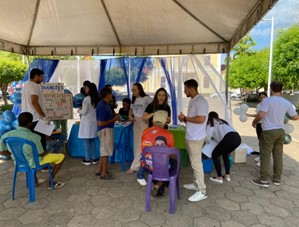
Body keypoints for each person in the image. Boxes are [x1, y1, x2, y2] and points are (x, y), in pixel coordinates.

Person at [251, 81, 299, 188]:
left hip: (268, 130)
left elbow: (261, 115)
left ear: (271, 88)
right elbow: (296, 117)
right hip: (280, 131)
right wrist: (286, 116)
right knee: (278, 155)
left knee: (266, 155)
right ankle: (277, 179)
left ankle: (264, 180)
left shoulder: (267, 101)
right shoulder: (286, 102)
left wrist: (254, 122)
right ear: (281, 89)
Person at [0, 112, 65, 189]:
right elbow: (42, 154)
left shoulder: (6, 135)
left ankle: (34, 182)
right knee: (61, 156)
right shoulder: (34, 137)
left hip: (19, 162)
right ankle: (50, 182)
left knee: (30, 154)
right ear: (30, 123)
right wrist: (46, 152)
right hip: (34, 162)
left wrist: (15, 154)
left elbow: (1, 151)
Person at [178, 79, 208, 202]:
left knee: (196, 163)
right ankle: (196, 183)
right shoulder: (193, 100)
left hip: (196, 137)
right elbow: (194, 118)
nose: (184, 91)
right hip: (191, 136)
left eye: (185, 89)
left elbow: (201, 119)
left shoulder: (201, 101)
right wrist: (185, 119)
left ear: (191, 88)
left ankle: (202, 190)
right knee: (194, 163)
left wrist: (185, 118)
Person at [137, 110, 177, 197]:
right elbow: (170, 153)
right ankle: (160, 184)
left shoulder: (145, 132)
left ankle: (158, 186)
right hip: (161, 165)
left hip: (147, 165)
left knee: (157, 162)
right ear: (164, 123)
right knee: (174, 162)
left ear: (152, 121)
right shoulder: (168, 135)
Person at [206, 111, 241, 183]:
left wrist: (206, 142)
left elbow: (207, 138)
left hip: (229, 138)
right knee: (225, 154)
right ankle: (227, 175)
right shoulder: (222, 122)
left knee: (214, 155)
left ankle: (219, 177)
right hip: (237, 138)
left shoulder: (210, 123)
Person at [126, 83, 152, 174]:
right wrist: (130, 115)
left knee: (140, 145)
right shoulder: (135, 99)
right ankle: (139, 163)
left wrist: (148, 116)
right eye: (132, 90)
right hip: (136, 122)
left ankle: (135, 166)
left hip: (143, 122)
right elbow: (131, 109)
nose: (133, 92)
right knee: (136, 144)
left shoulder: (146, 98)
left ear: (140, 89)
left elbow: (154, 106)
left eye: (135, 90)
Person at [95, 87, 119, 180]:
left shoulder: (106, 104)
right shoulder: (102, 106)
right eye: (110, 94)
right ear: (107, 95)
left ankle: (100, 170)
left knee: (103, 151)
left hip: (107, 129)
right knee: (105, 152)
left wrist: (114, 116)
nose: (112, 95)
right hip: (105, 130)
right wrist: (114, 119)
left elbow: (106, 117)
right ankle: (103, 173)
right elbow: (100, 122)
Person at [21, 68, 47, 150]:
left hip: (28, 119)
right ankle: (42, 161)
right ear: (36, 76)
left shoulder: (25, 86)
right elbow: (34, 102)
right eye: (41, 76)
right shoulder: (35, 86)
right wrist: (43, 115)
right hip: (36, 119)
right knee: (41, 142)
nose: (42, 79)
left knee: (32, 143)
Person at [78, 83, 100, 165]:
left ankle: (87, 159)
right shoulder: (96, 98)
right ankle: (94, 158)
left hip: (86, 122)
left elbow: (84, 111)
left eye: (86, 88)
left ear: (90, 89)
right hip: (93, 121)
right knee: (92, 140)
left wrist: (79, 111)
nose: (85, 89)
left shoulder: (86, 99)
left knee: (86, 141)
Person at [246, 92, 268, 166]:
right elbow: (258, 115)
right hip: (259, 124)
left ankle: (264, 160)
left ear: (266, 97)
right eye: (260, 97)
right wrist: (248, 114)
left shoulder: (269, 105)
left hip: (266, 125)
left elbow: (262, 115)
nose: (262, 99)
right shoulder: (259, 105)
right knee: (260, 141)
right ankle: (261, 156)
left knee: (265, 143)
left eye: (264, 97)